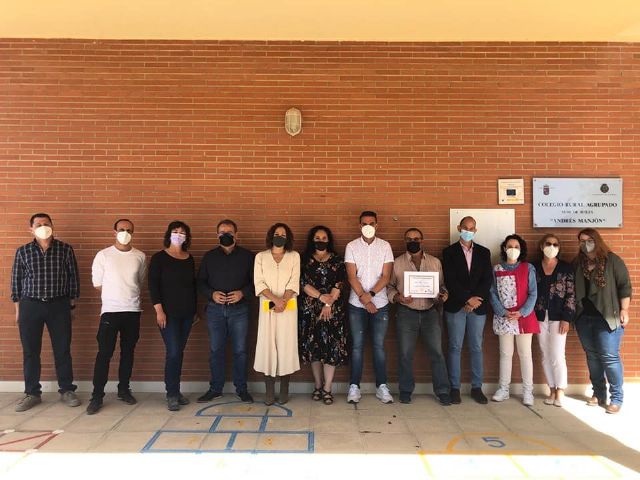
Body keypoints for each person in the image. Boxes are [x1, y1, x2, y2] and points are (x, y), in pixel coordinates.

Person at [10, 213, 81, 412]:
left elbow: (73, 279)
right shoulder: (23, 251)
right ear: (31, 229)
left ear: (52, 226)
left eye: (46, 223)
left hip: (59, 305)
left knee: (63, 350)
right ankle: (32, 393)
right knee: (30, 351)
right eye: (38, 224)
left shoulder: (65, 249)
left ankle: (67, 390)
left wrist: (71, 306)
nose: (43, 227)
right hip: (30, 306)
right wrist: (18, 310)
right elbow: (16, 282)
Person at [87, 219, 146, 415]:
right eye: (121, 229)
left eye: (129, 230)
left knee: (128, 352)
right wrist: (115, 294)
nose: (125, 232)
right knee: (104, 353)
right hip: (110, 311)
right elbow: (98, 284)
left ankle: (124, 389)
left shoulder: (140, 256)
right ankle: (97, 396)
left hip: (132, 311)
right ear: (114, 231)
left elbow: (139, 281)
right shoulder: (103, 255)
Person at [388, 228, 451, 405]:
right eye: (409, 239)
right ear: (404, 241)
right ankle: (405, 390)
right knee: (405, 354)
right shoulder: (397, 263)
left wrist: (443, 295)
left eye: (416, 239)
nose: (413, 242)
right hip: (406, 313)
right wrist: (398, 297)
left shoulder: (435, 262)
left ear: (422, 240)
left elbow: (442, 286)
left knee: (437, 353)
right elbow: (389, 286)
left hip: (430, 312)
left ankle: (442, 391)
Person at [574, 228, 632, 414]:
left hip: (607, 317)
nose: (586, 244)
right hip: (584, 318)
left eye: (589, 240)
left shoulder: (612, 260)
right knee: (592, 356)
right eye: (582, 241)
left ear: (597, 240)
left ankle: (616, 398)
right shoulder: (578, 263)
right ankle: (599, 393)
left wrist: (624, 310)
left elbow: (624, 286)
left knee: (609, 356)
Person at [197, 219, 255, 404]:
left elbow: (257, 283)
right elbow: (200, 282)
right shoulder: (209, 257)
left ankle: (242, 389)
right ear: (217, 235)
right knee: (216, 351)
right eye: (222, 232)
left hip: (240, 310)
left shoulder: (248, 257)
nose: (226, 235)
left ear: (236, 234)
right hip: (215, 310)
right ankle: (215, 389)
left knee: (240, 351)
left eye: (229, 232)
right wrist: (211, 294)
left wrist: (242, 293)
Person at [345, 211, 394, 404]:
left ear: (377, 225)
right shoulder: (351, 246)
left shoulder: (385, 246)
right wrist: (365, 301)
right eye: (364, 223)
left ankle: (381, 386)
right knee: (357, 346)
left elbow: (386, 276)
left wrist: (371, 296)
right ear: (359, 226)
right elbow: (351, 276)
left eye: (371, 223)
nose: (368, 226)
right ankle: (354, 386)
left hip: (380, 303)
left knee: (379, 346)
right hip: (356, 304)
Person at [442, 216, 493, 404]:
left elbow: (487, 279)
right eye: (465, 227)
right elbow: (450, 280)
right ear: (459, 228)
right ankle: (454, 388)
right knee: (454, 347)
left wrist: (474, 300)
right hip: (456, 306)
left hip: (477, 307)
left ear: (475, 230)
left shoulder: (484, 252)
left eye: (471, 228)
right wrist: (466, 299)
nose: (468, 231)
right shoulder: (449, 252)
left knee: (476, 347)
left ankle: (476, 387)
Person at [149, 221, 197, 411]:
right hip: (168, 315)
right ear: (169, 234)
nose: (179, 234)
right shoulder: (159, 258)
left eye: (182, 232)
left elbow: (192, 286)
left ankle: (176, 391)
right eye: (175, 231)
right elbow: (153, 286)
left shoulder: (189, 258)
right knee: (174, 352)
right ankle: (171, 394)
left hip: (187, 314)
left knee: (179, 352)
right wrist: (159, 311)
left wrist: (195, 311)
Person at [299, 225, 348, 405]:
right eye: (317, 238)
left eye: (324, 238)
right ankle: (318, 386)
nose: (321, 241)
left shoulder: (337, 260)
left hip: (333, 312)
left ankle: (327, 388)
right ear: (312, 240)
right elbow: (303, 283)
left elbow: (340, 283)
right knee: (314, 350)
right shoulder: (304, 260)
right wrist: (320, 297)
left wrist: (328, 303)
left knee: (330, 349)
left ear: (329, 240)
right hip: (310, 311)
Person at [254, 223, 300, 405]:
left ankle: (284, 390)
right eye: (276, 233)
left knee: (286, 346)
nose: (279, 236)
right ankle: (269, 391)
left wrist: (284, 301)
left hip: (288, 308)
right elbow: (259, 282)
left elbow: (294, 281)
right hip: (268, 307)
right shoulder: (261, 257)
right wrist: (275, 300)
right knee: (267, 345)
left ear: (287, 238)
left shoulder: (294, 256)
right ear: (270, 236)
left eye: (283, 234)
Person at [489, 234, 538, 406]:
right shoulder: (496, 269)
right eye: (510, 246)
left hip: (523, 318)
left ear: (521, 249)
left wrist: (522, 312)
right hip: (504, 318)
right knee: (505, 354)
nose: (513, 249)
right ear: (504, 248)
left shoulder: (528, 268)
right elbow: (492, 293)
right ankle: (503, 389)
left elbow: (533, 293)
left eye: (516, 247)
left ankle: (528, 392)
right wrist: (503, 312)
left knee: (525, 355)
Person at [532, 234, 576, 408]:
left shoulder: (566, 267)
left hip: (559, 317)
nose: (551, 247)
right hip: (539, 316)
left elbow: (571, 294)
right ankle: (551, 388)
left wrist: (567, 318)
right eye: (548, 243)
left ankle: (560, 390)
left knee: (557, 354)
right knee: (545, 354)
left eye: (555, 244)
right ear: (541, 246)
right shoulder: (534, 267)